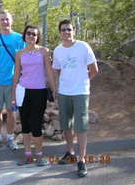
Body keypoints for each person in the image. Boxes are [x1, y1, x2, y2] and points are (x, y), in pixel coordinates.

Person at [53, 19, 98, 177]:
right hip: (64, 92)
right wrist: (67, 82)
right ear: (60, 33)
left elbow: (94, 69)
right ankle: (70, 152)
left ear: (74, 31)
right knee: (66, 125)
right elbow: (58, 70)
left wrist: (83, 82)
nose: (66, 32)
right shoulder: (57, 50)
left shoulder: (83, 47)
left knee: (81, 127)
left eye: (69, 29)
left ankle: (81, 160)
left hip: (80, 92)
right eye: (63, 29)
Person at [11, 25, 56, 166]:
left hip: (39, 91)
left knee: (36, 124)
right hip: (23, 91)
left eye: (34, 34)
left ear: (38, 37)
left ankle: (39, 155)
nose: (31, 36)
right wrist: (13, 95)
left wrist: (54, 90)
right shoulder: (19, 53)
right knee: (25, 124)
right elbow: (17, 74)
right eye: (29, 33)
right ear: (24, 35)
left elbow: (49, 72)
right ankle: (28, 155)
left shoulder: (44, 51)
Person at [0, 10, 24, 151]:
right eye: (2, 19)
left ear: (11, 21)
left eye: (7, 19)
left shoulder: (19, 39)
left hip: (13, 82)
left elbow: (25, 60)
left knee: (11, 111)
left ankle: (10, 138)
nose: (4, 22)